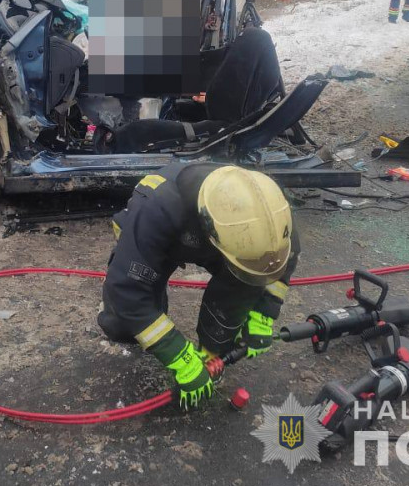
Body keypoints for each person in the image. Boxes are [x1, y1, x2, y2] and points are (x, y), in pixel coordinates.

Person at [98, 163, 299, 410]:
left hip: (225, 245)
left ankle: (211, 356)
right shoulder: (158, 206)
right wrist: (176, 353)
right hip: (162, 237)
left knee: (243, 286)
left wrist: (263, 314)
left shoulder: (270, 217)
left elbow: (282, 263)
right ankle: (131, 321)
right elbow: (128, 291)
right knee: (124, 324)